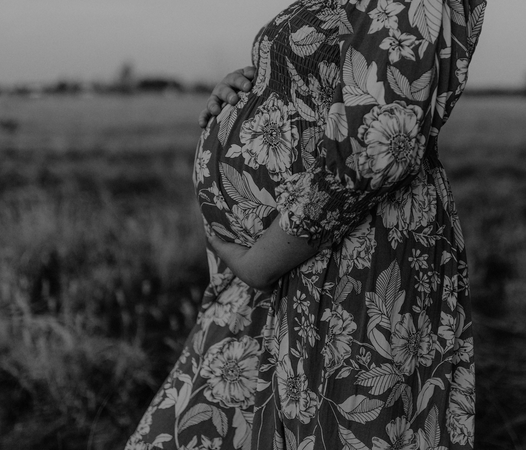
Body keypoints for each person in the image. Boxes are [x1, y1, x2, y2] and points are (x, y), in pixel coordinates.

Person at [126, 0, 486, 448]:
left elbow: (378, 146)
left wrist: (261, 262)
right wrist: (264, 83)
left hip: (345, 260)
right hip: (287, 265)